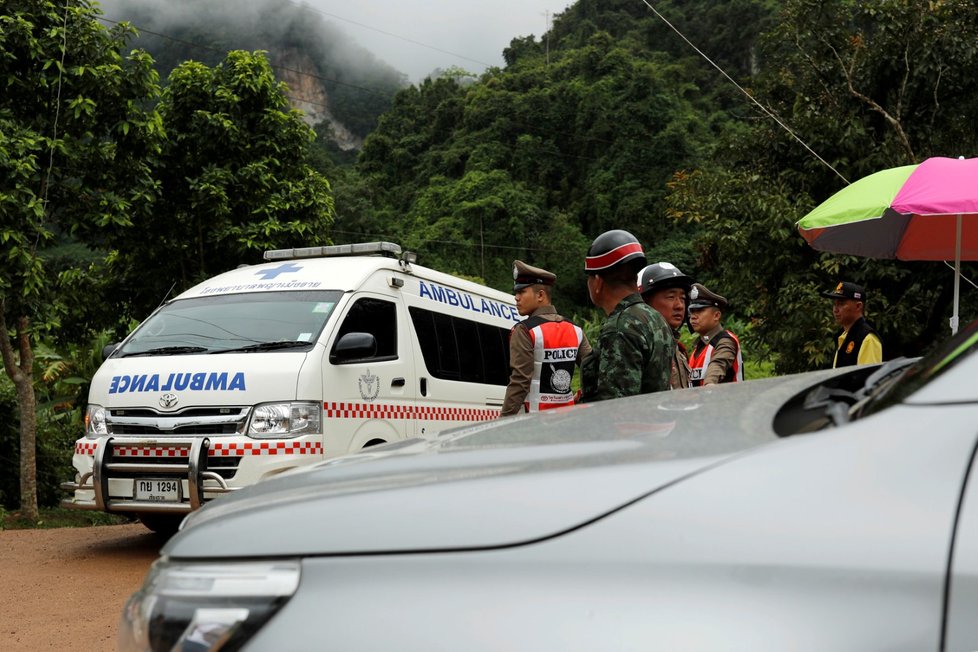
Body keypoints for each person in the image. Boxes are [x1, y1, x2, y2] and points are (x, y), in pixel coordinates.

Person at [579, 230, 674, 402]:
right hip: (657, 423)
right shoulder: (654, 317)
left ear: (598, 282)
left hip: (633, 427)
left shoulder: (619, 328)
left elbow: (617, 407)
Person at [501, 260, 591, 416]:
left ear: (540, 295)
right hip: (566, 422)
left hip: (534, 425)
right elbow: (593, 371)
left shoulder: (524, 330)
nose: (516, 297)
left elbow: (520, 381)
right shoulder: (575, 329)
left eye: (521, 292)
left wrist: (503, 421)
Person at [638, 262, 693, 389]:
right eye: (670, 297)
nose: (679, 305)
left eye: (683, 298)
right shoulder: (639, 348)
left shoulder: (678, 351)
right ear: (645, 302)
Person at [687, 283, 743, 386]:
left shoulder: (726, 341)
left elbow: (718, 364)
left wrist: (710, 384)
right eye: (692, 311)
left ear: (716, 315)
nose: (693, 317)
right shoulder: (699, 347)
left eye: (699, 311)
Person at [823, 281, 882, 367]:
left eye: (841, 304)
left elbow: (868, 378)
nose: (835, 309)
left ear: (858, 306)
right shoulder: (842, 335)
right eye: (834, 304)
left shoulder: (867, 339)